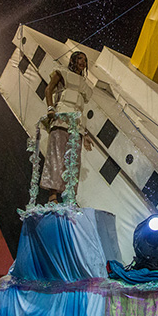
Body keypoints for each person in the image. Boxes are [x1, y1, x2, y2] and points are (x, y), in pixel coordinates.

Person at [41, 51, 94, 203]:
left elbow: (80, 109)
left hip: (76, 127)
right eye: (79, 58)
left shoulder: (85, 86)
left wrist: (85, 133)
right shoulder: (62, 73)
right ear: (73, 60)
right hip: (61, 121)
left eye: (85, 59)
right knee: (56, 157)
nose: (82, 62)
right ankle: (53, 195)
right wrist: (50, 108)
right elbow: (48, 89)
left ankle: (69, 196)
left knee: (73, 161)